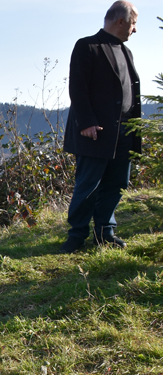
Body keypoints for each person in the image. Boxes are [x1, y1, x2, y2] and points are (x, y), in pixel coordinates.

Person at [60, 1, 141, 253]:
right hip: (95, 132)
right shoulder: (87, 46)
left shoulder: (127, 52)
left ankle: (105, 233)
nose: (134, 30)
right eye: (133, 23)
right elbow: (77, 87)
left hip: (124, 133)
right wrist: (86, 122)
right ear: (120, 21)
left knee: (117, 184)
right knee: (89, 185)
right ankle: (76, 236)